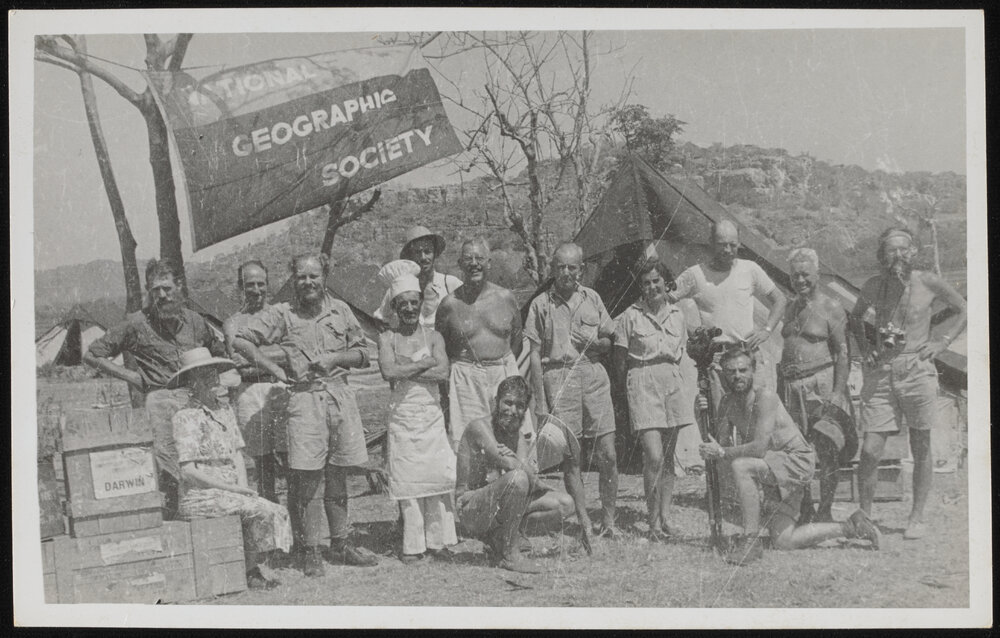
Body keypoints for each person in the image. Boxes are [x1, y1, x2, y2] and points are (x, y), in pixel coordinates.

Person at [233, 253, 378, 576]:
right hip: (304, 400)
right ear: (293, 280)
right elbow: (241, 340)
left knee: (339, 472)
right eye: (301, 277)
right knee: (309, 479)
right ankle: (311, 549)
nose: (308, 282)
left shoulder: (341, 311)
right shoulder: (283, 314)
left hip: (339, 397)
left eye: (314, 276)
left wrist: (334, 358)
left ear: (325, 276)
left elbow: (363, 354)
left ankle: (340, 543)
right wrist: (273, 367)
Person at [698, 347, 880, 565]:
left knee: (741, 466)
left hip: (795, 460)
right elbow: (721, 445)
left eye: (742, 370)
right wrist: (700, 415)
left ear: (753, 370)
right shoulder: (728, 403)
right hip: (774, 465)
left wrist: (721, 452)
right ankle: (851, 526)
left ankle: (751, 540)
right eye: (731, 372)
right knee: (784, 540)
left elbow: (757, 449)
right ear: (723, 374)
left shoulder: (765, 397)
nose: (737, 376)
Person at [83, 258, 225, 519]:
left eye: (167, 288)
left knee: (203, 461)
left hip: (194, 399)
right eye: (155, 290)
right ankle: (174, 520)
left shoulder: (195, 321)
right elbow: (92, 354)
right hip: (160, 399)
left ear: (179, 288)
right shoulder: (136, 323)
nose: (161, 295)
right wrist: (132, 377)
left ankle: (208, 516)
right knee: (167, 463)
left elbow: (217, 352)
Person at [849, 227, 967, 540]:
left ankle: (916, 518)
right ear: (882, 254)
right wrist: (865, 349)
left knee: (921, 444)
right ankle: (865, 518)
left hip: (918, 368)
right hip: (883, 371)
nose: (898, 256)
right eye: (891, 250)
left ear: (912, 252)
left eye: (904, 249)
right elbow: (856, 317)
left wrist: (941, 343)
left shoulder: (927, 281)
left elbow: (963, 308)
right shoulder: (874, 285)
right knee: (871, 448)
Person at [167, 347, 291, 590]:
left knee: (268, 508)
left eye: (214, 373)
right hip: (201, 495)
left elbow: (236, 454)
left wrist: (243, 488)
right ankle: (250, 570)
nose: (212, 380)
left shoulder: (224, 411)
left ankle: (251, 567)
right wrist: (232, 489)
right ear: (192, 383)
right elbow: (188, 472)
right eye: (204, 376)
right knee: (264, 510)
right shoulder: (185, 417)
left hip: (230, 490)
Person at [525, 243, 619, 537]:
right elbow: (534, 355)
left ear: (582, 269)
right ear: (552, 269)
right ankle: (584, 521)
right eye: (560, 267)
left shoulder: (592, 298)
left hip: (593, 374)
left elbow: (608, 341)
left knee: (608, 454)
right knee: (572, 458)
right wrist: (540, 402)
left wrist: (596, 343)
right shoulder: (540, 304)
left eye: (572, 268)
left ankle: (609, 520)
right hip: (559, 376)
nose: (566, 273)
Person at [376, 260, 458, 564]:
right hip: (403, 417)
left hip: (431, 416)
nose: (409, 308)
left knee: (435, 477)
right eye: (403, 304)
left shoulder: (434, 336)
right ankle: (413, 545)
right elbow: (387, 371)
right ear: (395, 307)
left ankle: (438, 542)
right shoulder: (387, 338)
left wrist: (406, 369)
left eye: (414, 302)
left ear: (421, 304)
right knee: (408, 481)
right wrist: (424, 363)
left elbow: (443, 373)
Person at [455, 376, 577, 574]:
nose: (512, 411)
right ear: (496, 402)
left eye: (519, 406)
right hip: (471, 507)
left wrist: (520, 465)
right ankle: (509, 554)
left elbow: (526, 473)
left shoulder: (517, 435)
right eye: (508, 403)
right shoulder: (480, 428)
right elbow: (515, 468)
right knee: (517, 479)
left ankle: (500, 538)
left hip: (497, 504)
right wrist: (519, 465)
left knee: (565, 504)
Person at [612, 259, 696, 541]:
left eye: (656, 281)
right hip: (642, 379)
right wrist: (630, 392)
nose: (652, 287)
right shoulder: (630, 316)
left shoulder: (678, 314)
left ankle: (666, 516)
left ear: (665, 282)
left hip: (671, 381)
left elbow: (680, 352)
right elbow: (620, 360)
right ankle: (652, 522)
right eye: (646, 283)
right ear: (640, 287)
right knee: (654, 455)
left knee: (669, 458)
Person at [669, 220, 787, 406]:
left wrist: (767, 329)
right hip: (717, 361)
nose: (728, 250)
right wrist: (689, 334)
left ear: (739, 243)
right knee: (722, 420)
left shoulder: (750, 269)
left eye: (733, 245)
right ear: (711, 242)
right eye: (722, 244)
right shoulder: (695, 274)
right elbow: (665, 301)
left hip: (748, 355)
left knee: (757, 414)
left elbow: (779, 300)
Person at [779, 248, 855, 523]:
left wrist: (836, 393)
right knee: (797, 449)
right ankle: (806, 507)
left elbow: (843, 353)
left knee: (826, 448)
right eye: (795, 275)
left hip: (820, 383)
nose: (800, 280)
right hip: (791, 386)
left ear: (818, 275)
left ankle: (825, 509)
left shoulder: (831, 307)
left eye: (805, 275)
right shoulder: (789, 307)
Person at [435, 239, 524, 449]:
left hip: (503, 373)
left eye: (479, 258)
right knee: (469, 443)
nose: (474, 263)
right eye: (468, 259)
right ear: (459, 264)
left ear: (489, 262)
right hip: (466, 380)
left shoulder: (506, 298)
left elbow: (517, 341)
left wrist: (502, 368)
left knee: (510, 438)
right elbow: (441, 350)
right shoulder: (449, 305)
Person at [222, 260, 290, 502]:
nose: (256, 290)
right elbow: (237, 359)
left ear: (268, 285)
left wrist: (254, 354)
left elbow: (291, 353)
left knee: (290, 456)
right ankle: (270, 516)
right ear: (240, 287)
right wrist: (275, 352)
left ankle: (295, 524)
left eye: (261, 284)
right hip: (249, 392)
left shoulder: (281, 316)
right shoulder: (233, 322)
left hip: (281, 388)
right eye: (250, 284)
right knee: (263, 463)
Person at [374, 225, 463, 329]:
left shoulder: (450, 284)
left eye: (427, 252)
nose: (423, 257)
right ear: (410, 255)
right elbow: (379, 319)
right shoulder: (399, 287)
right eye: (417, 252)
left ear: (434, 254)